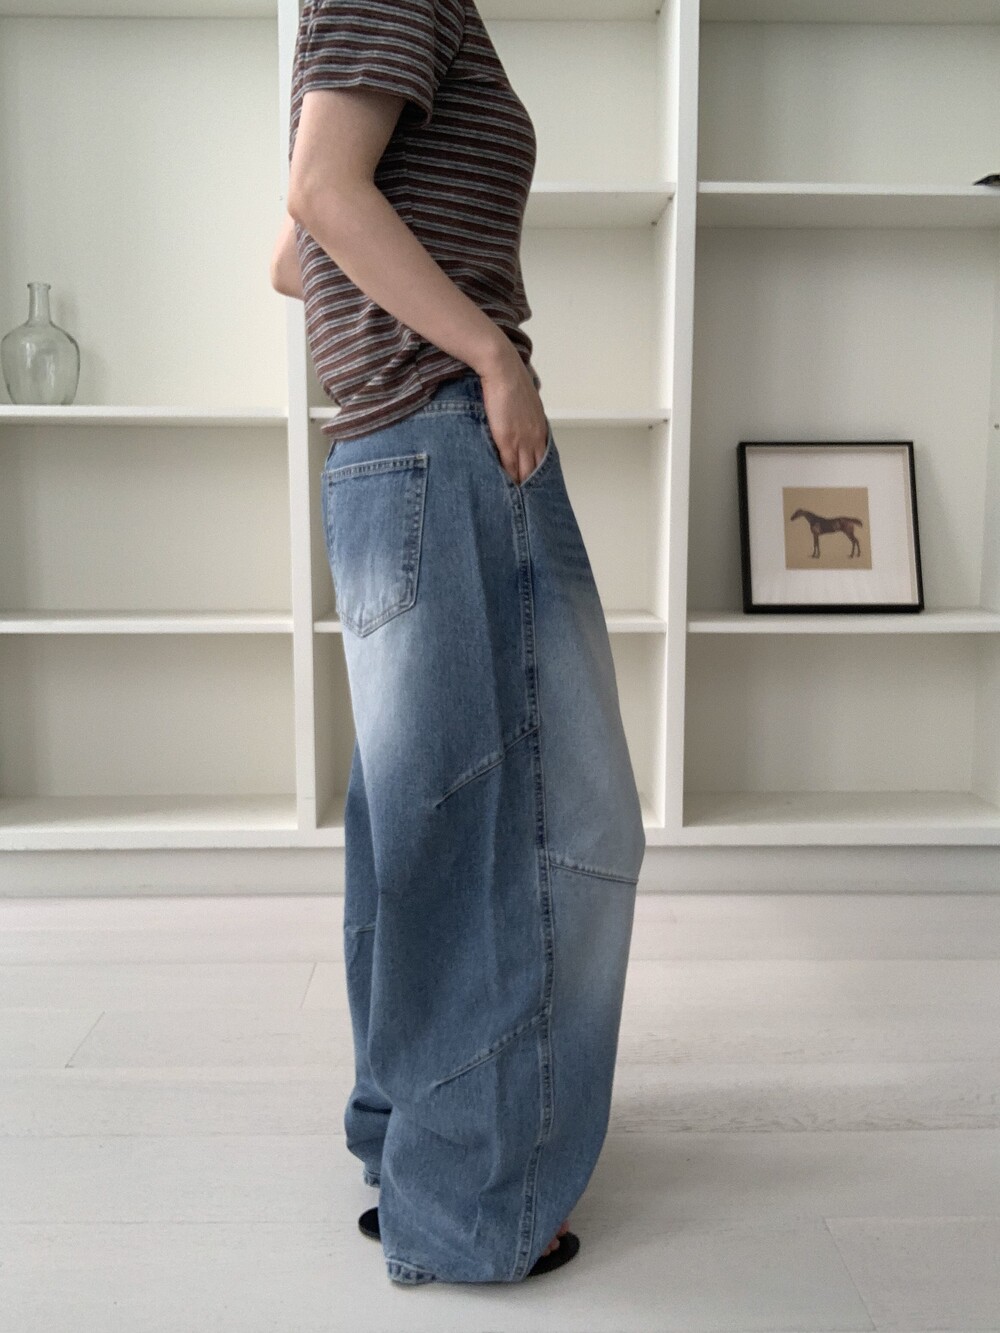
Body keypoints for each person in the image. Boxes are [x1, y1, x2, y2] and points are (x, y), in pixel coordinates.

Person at [270, 0, 646, 1287]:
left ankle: (414, 1144)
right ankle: (479, 1202)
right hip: (444, 434)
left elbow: (293, 255)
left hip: (388, 457)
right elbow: (321, 195)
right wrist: (491, 353)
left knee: (426, 824)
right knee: (549, 828)